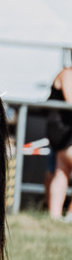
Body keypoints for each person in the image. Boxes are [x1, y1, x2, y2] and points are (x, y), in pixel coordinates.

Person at [46, 65, 72, 221]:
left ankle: (54, 216)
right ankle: (67, 215)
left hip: (64, 131)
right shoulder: (68, 74)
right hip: (64, 130)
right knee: (60, 172)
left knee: (61, 172)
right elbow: (70, 100)